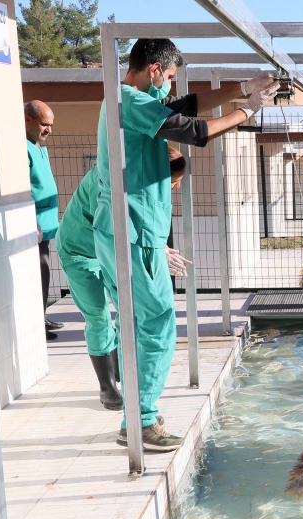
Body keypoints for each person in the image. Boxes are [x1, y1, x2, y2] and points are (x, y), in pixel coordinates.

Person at [93, 38, 278, 452]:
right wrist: (248, 111)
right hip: (134, 228)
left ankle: (139, 415)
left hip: (132, 229)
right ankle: (140, 422)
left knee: (137, 324)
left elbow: (186, 107)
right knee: (156, 323)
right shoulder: (131, 101)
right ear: (155, 70)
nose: (171, 88)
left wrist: (241, 87)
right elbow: (194, 130)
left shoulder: (127, 100)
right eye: (170, 78)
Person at [57, 146, 191, 413]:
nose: (175, 188)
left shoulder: (138, 179)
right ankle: (107, 388)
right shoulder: (108, 182)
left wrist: (160, 248)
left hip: (109, 248)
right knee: (98, 318)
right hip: (80, 252)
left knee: (127, 311)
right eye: (173, 182)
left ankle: (121, 371)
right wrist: (157, 250)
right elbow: (112, 226)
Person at [24, 100, 64, 340]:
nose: (48, 129)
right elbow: (23, 189)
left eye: (50, 125)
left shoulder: (40, 147)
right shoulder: (23, 148)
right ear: (28, 119)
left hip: (46, 225)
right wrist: (32, 220)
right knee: (37, 272)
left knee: (45, 272)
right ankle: (36, 324)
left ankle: (42, 315)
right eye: (44, 124)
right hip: (34, 226)